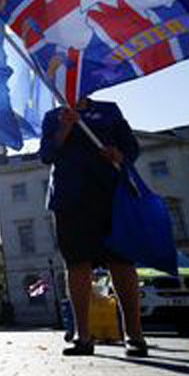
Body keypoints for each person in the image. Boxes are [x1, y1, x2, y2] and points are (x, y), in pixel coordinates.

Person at [39, 97, 148, 358]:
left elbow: (131, 148)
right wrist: (65, 128)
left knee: (121, 262)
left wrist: (120, 156)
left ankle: (134, 334)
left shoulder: (109, 110)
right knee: (77, 264)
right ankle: (83, 335)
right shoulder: (53, 117)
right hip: (70, 197)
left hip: (111, 193)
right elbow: (47, 155)